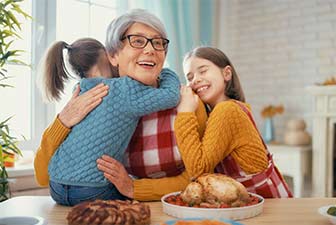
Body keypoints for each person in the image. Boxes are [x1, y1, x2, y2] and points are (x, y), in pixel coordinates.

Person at [34, 9, 207, 202]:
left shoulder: (188, 103)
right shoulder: (88, 101)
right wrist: (63, 121)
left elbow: (198, 177)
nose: (150, 50)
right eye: (137, 41)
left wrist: (135, 188)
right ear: (113, 56)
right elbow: (42, 176)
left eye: (158, 43)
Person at [174, 46, 293, 198]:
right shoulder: (234, 108)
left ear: (227, 73)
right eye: (189, 77)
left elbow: (198, 170)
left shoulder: (227, 111)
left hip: (267, 208)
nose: (195, 79)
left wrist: (185, 112)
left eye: (203, 71)